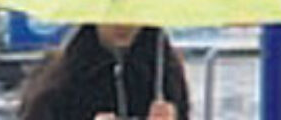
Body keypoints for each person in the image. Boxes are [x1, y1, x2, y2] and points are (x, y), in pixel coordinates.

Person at [18, 24, 190, 120]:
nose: (123, 22)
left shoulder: (164, 73)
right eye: (112, 12)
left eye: (131, 12)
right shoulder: (61, 77)